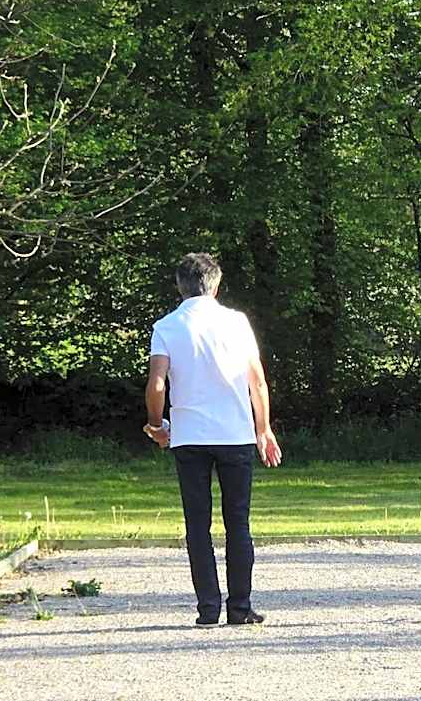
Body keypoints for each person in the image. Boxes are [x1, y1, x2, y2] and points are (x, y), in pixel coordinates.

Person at [143, 252, 282, 627]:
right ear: (216, 285)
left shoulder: (167, 326)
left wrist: (157, 424)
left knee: (197, 524)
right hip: (235, 434)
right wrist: (263, 429)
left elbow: (157, 383)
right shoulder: (237, 322)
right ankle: (240, 607)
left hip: (189, 436)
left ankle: (207, 609)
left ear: (180, 286)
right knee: (238, 522)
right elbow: (257, 381)